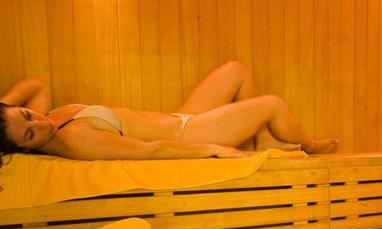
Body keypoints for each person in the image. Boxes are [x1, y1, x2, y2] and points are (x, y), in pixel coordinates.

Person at [0, 61, 338, 161]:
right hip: (187, 134)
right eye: (29, 134)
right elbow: (148, 150)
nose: (39, 124)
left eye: (27, 115)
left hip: (180, 116)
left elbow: (37, 85)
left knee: (236, 70)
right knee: (273, 104)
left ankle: (262, 141)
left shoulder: (50, 119)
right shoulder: (74, 139)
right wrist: (212, 149)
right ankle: (310, 145)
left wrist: (5, 108)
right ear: (23, 148)